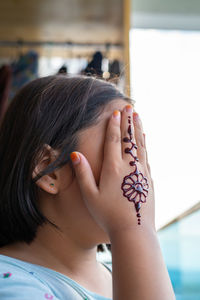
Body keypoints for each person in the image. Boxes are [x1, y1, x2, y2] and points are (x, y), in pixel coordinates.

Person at [0, 75, 175, 300]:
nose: (136, 172)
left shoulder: (124, 275)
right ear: (49, 169)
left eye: (138, 150)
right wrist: (132, 229)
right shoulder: (10, 285)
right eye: (122, 148)